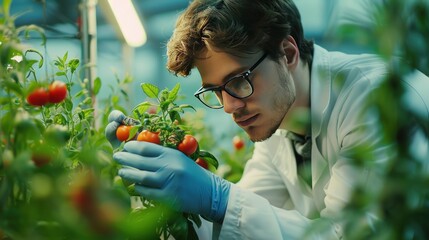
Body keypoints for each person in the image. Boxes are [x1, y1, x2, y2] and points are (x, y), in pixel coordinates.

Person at [105, 0, 429, 239]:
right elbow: (245, 221)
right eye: (216, 90)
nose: (231, 106)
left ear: (287, 53)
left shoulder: (376, 98)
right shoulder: (277, 121)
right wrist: (167, 196)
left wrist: (217, 196)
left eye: (238, 80)